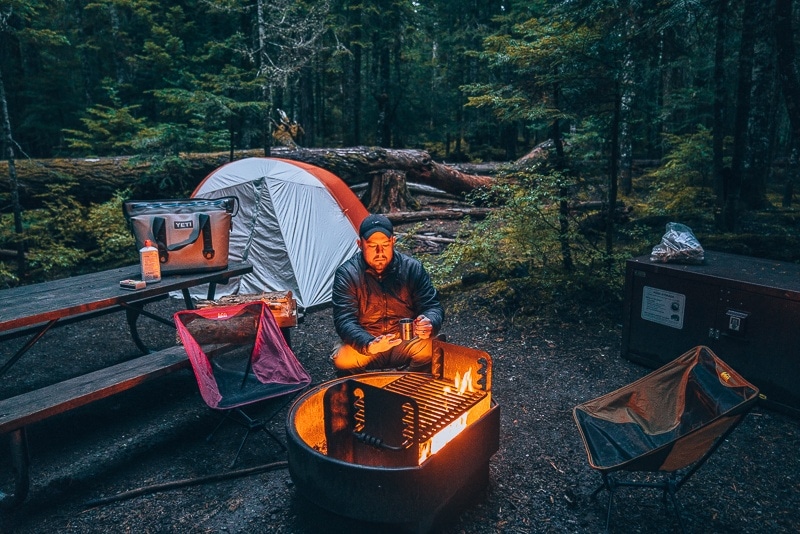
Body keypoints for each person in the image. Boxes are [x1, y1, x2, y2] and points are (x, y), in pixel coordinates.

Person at [331, 213, 444, 375]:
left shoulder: (412, 269)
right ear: (360, 244)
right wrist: (368, 343)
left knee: (433, 348)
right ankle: (361, 394)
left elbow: (432, 306)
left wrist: (430, 322)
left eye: (385, 244)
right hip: (368, 343)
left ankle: (413, 386)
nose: (379, 252)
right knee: (342, 359)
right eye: (372, 246)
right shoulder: (347, 274)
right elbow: (344, 320)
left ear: (393, 242)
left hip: (405, 341)